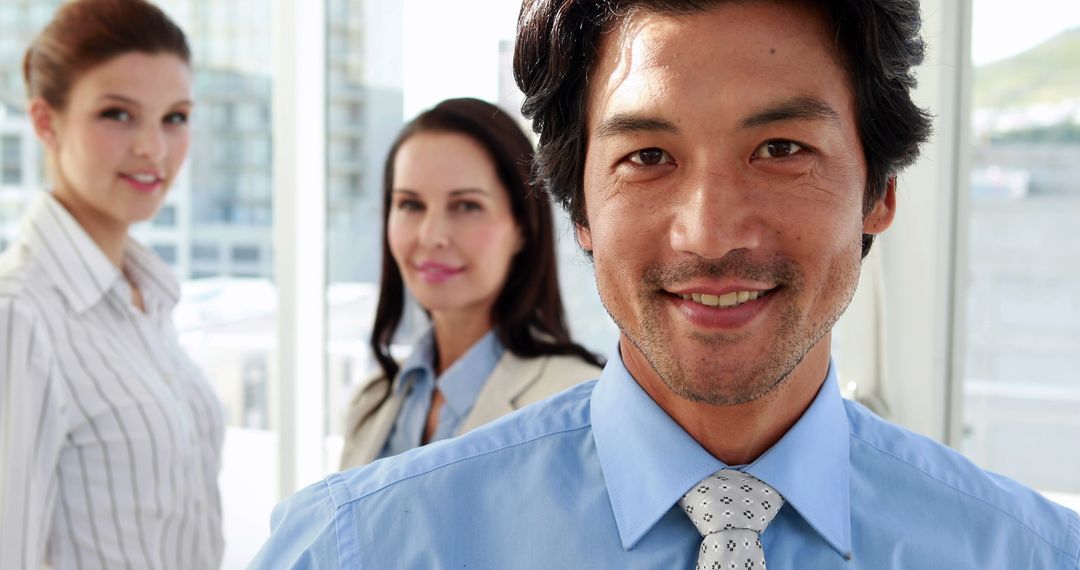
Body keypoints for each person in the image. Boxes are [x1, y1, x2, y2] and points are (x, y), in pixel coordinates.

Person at [252, 0, 1080, 568]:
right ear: (579, 210)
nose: (712, 234)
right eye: (647, 157)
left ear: (881, 191)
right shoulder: (360, 548)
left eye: (782, 149)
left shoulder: (1035, 555)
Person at [0, 1, 224, 568]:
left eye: (175, 117)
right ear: (46, 122)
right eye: (118, 115)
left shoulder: (144, 301)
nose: (154, 148)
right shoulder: (19, 317)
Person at [340, 97, 601, 469]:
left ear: (522, 228)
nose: (431, 236)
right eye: (410, 205)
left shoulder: (580, 406)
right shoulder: (372, 401)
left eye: (466, 206)